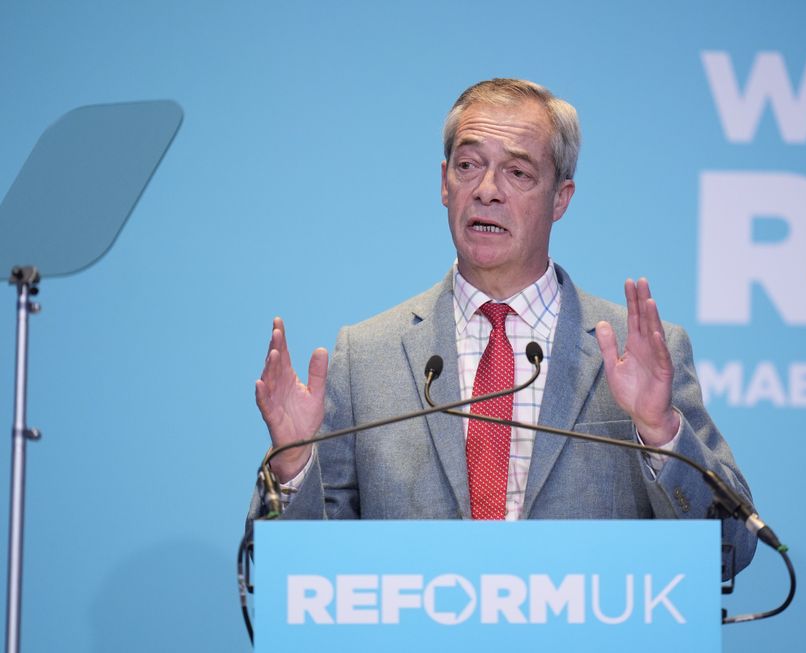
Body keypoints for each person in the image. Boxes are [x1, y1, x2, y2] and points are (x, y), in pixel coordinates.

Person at [250, 78, 757, 577]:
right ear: (444, 183)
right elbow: (295, 573)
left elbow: (730, 551)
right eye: (468, 166)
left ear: (561, 198)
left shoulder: (638, 351)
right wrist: (292, 467)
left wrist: (660, 432)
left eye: (518, 172)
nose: (487, 191)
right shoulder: (366, 357)